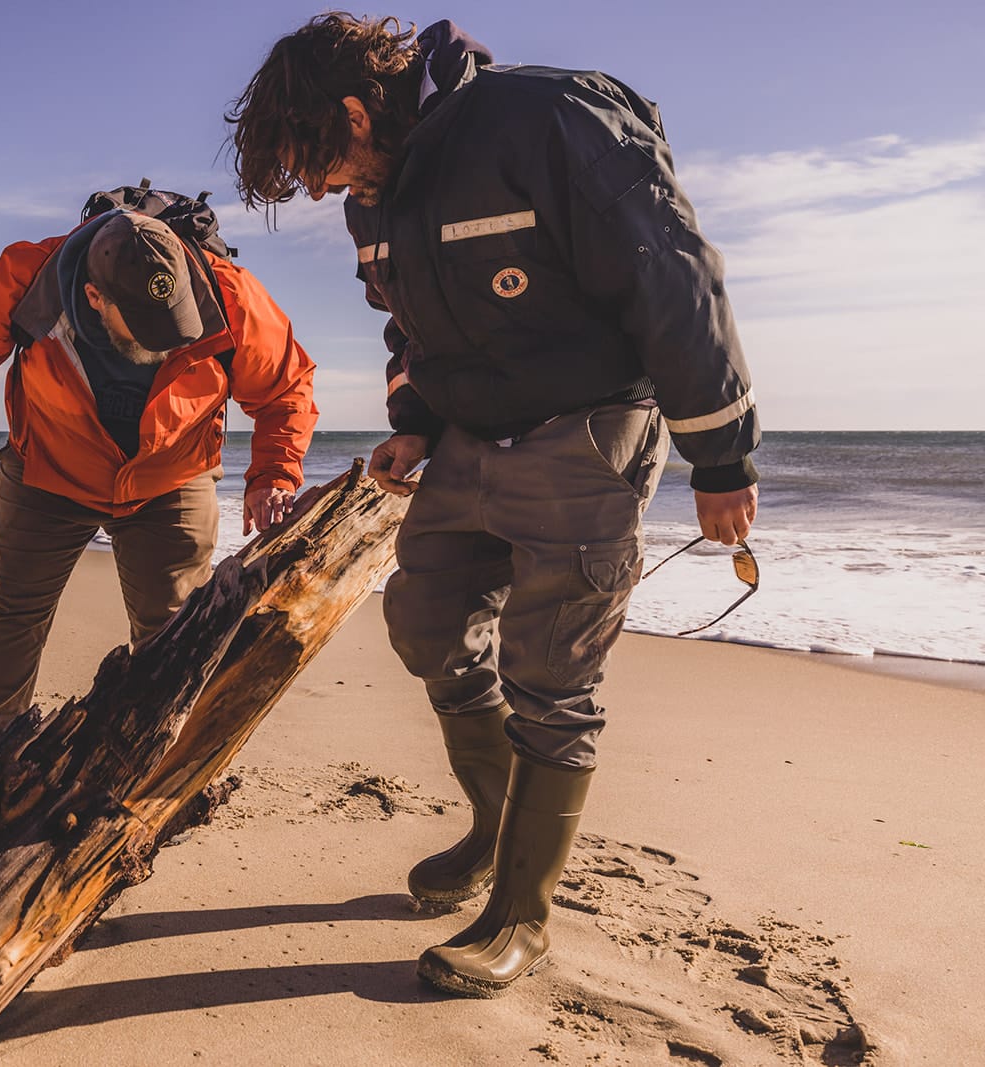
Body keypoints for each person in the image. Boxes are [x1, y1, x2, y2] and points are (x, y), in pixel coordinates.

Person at [227, 14, 760, 996]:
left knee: (550, 671)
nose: (318, 191)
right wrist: (418, 420)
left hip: (587, 428)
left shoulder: (546, 118)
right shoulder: (373, 199)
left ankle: (521, 918)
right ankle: (490, 832)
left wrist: (719, 455)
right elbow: (410, 323)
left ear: (355, 110)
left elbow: (671, 272)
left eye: (317, 164)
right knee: (425, 624)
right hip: (472, 434)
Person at [0, 207, 318, 738]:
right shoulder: (33, 276)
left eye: (174, 323)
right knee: (12, 615)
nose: (165, 339)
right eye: (146, 327)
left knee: (174, 633)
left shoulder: (229, 293)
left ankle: (152, 762)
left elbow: (286, 388)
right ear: (96, 298)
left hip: (170, 476)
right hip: (49, 467)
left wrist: (274, 476)